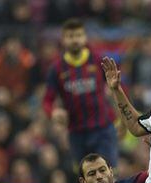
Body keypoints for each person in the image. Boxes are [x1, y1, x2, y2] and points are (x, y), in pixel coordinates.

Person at [42, 18, 119, 168]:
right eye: (70, 36)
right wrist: (53, 112)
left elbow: (118, 88)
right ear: (63, 40)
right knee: (87, 178)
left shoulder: (98, 60)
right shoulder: (56, 69)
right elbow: (47, 100)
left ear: (84, 37)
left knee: (108, 174)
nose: (75, 40)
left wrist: (121, 119)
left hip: (103, 128)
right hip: (77, 132)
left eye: (78, 35)